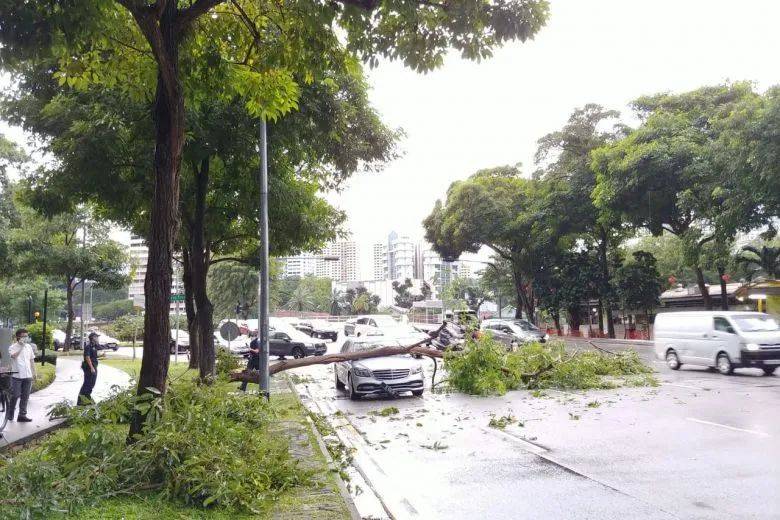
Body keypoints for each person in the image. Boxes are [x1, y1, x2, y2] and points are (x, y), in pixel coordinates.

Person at [7, 328, 36, 422]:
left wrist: (34, 372)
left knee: (25, 396)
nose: (25, 338)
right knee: (15, 395)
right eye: (23, 336)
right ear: (18, 337)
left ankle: (22, 415)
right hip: (17, 376)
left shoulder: (29, 347)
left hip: (28, 375)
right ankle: (10, 413)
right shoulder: (12, 347)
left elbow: (32, 360)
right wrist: (21, 346)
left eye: (26, 336)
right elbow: (14, 356)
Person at [78, 332, 99, 405]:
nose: (97, 338)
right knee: (88, 384)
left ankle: (86, 399)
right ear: (93, 338)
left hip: (93, 367)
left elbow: (93, 357)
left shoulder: (94, 346)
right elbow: (87, 357)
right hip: (89, 368)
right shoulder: (88, 346)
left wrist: (101, 355)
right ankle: (82, 401)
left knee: (91, 384)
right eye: (96, 337)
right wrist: (92, 368)